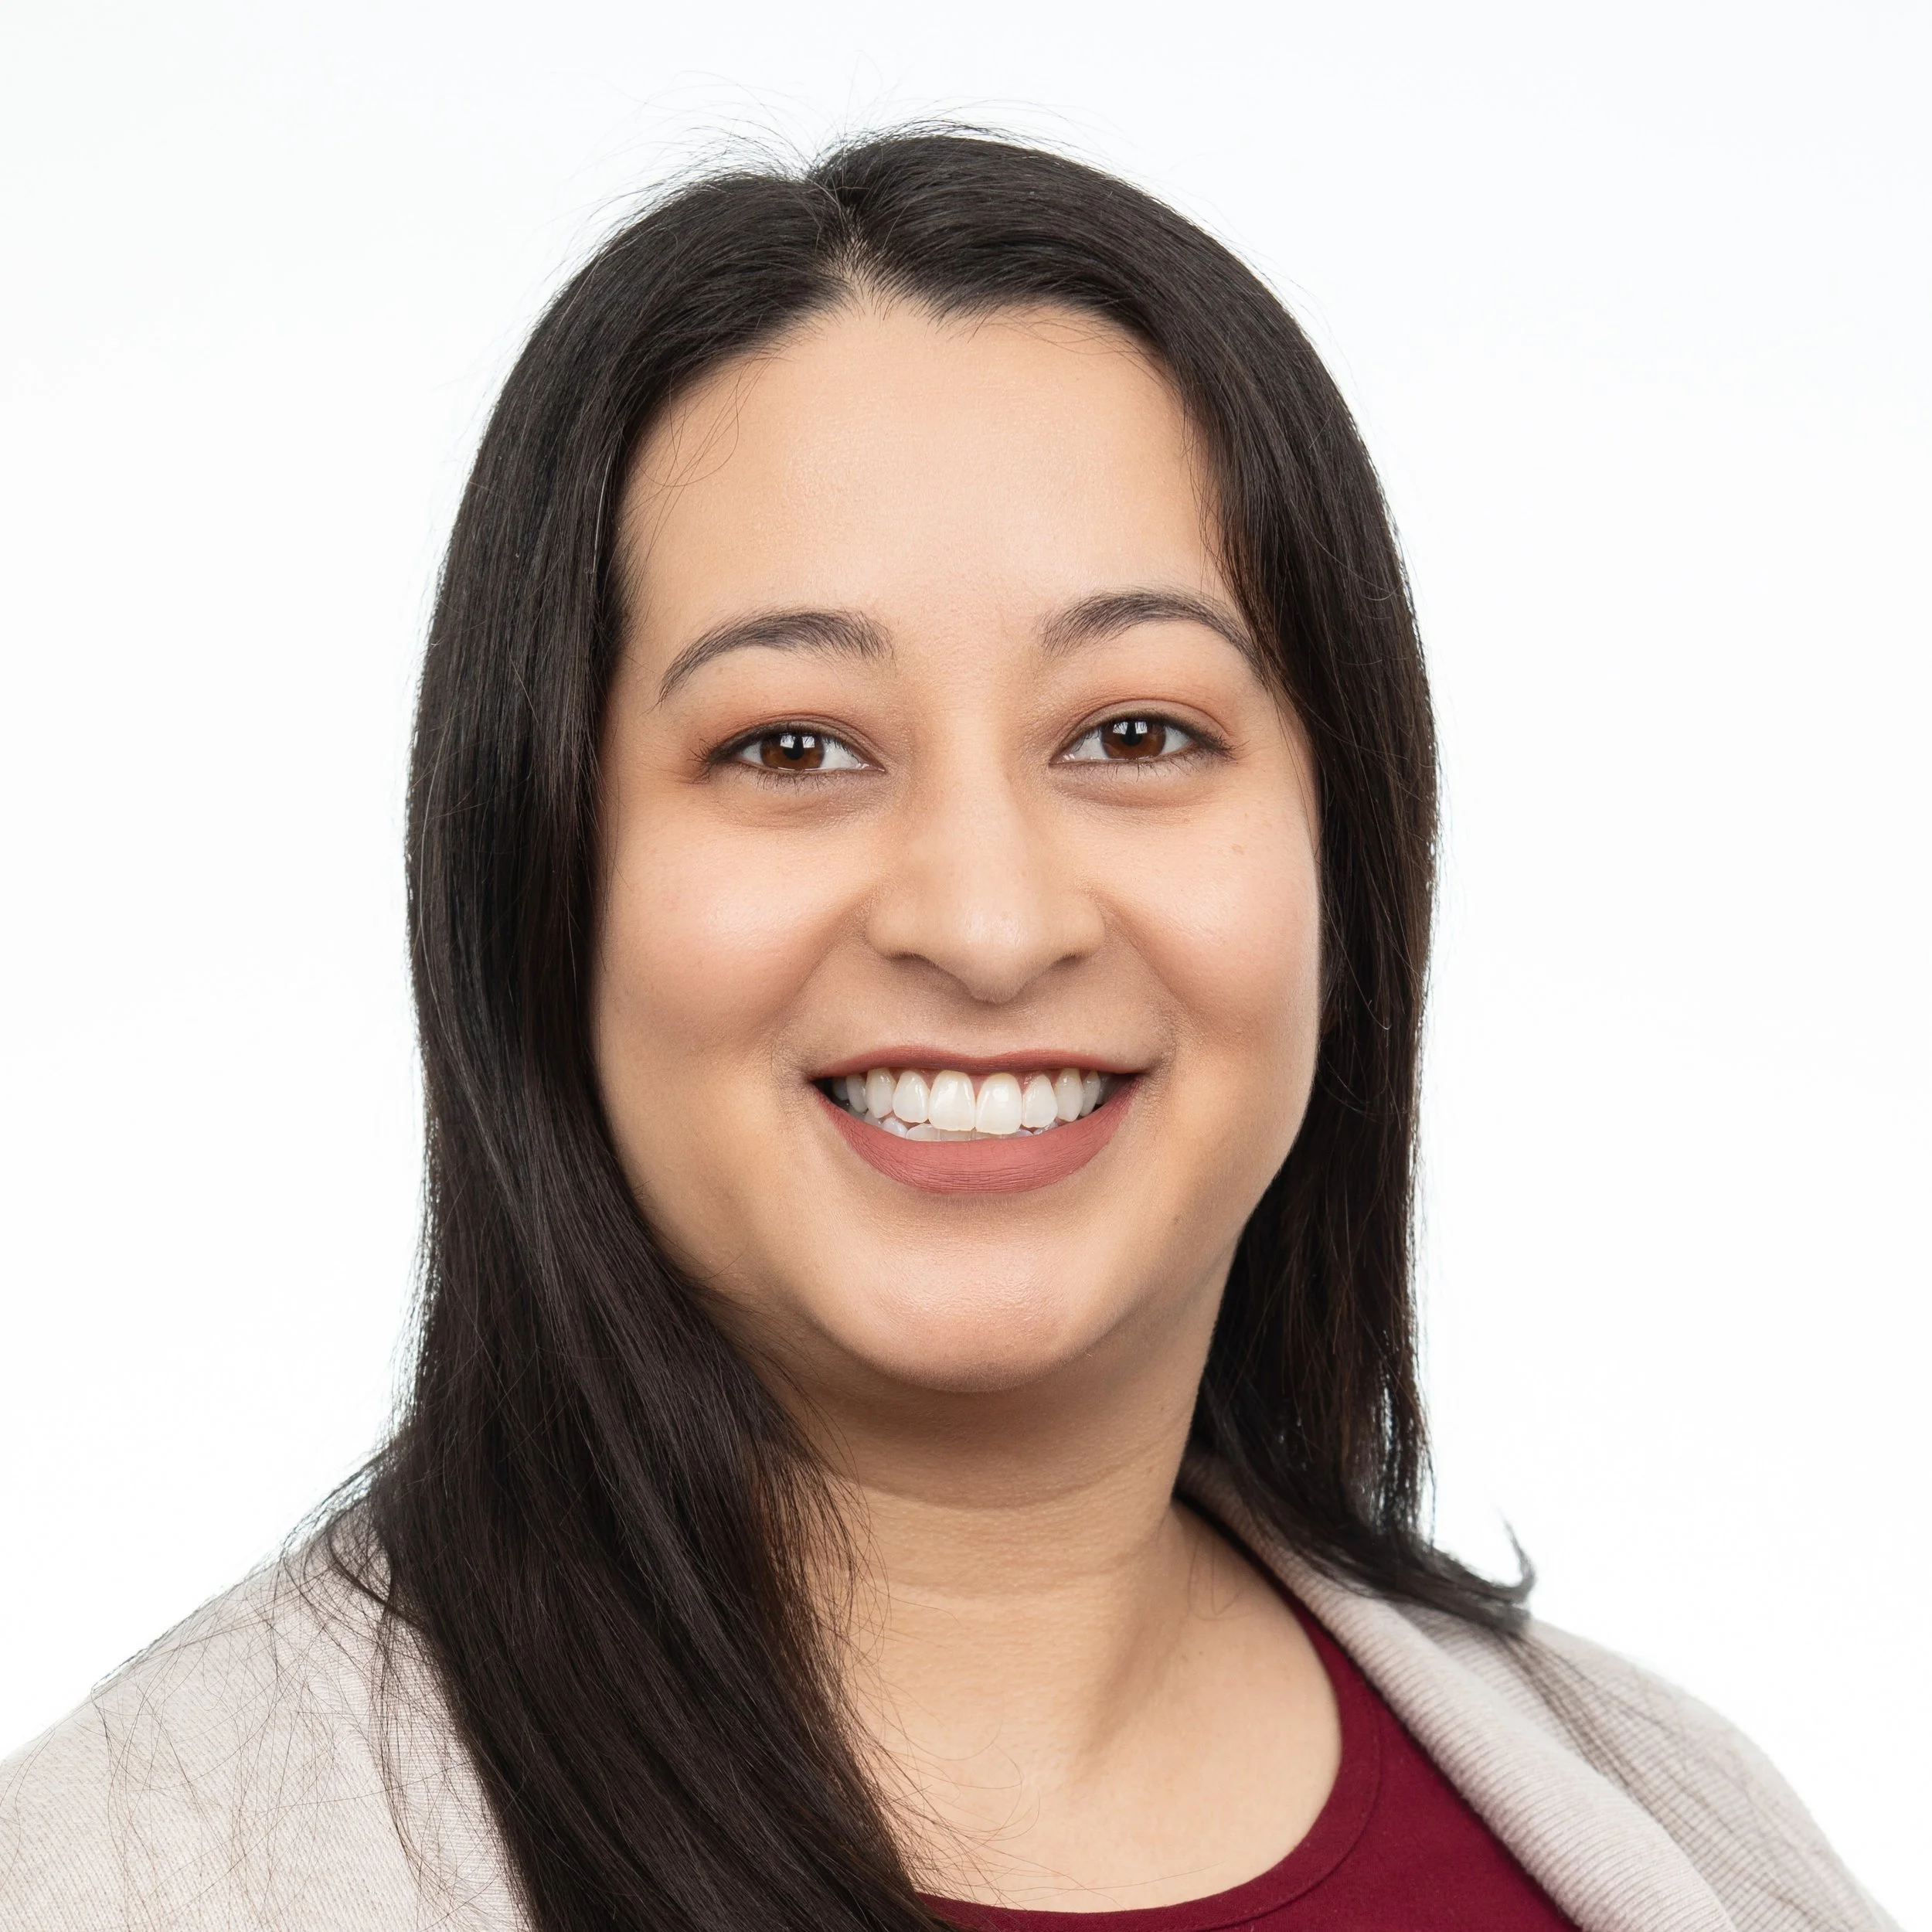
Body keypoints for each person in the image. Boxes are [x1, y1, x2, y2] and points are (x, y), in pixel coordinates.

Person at [0, 131, 1893, 1932]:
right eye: (790, 745)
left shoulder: (1694, 1831)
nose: (986, 924)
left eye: (1134, 732)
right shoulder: (127, 1867)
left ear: (1346, 863)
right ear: (538, 882)